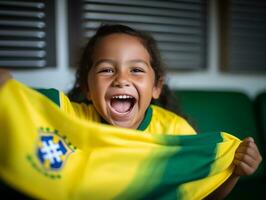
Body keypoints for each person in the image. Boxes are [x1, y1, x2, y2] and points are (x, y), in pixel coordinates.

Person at [0, 24, 262, 199]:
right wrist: (9, 93)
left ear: (156, 87)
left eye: (136, 70)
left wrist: (234, 171)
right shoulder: (68, 116)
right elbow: (33, 110)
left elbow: (201, 194)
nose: (121, 80)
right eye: (106, 69)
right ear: (87, 88)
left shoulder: (175, 131)